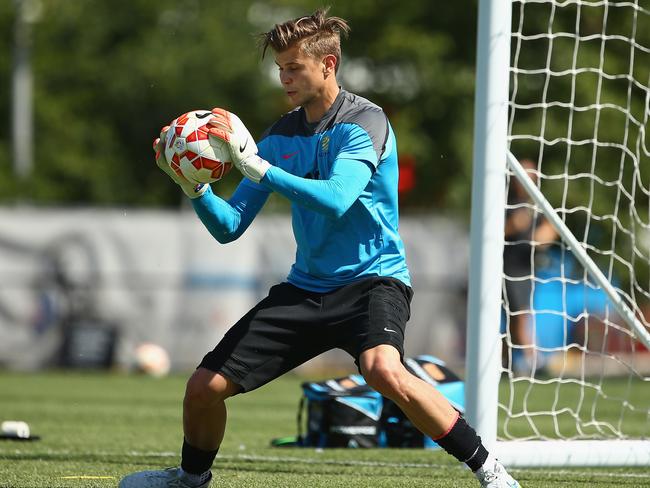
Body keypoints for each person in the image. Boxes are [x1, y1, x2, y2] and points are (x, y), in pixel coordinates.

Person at [119, 9, 520, 488]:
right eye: (280, 68)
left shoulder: (363, 121)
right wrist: (193, 188)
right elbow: (229, 227)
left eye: (294, 68)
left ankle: (490, 471)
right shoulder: (280, 137)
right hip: (306, 288)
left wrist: (256, 167)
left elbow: (336, 199)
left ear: (327, 65)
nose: (284, 78)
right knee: (203, 389)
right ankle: (190, 480)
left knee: (382, 370)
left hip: (374, 281)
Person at [503, 158, 557, 375]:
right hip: (507, 265)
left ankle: (514, 361)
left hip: (527, 267)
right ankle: (531, 359)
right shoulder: (505, 199)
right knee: (515, 315)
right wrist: (511, 226)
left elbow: (551, 227)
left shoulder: (539, 203)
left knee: (519, 314)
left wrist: (543, 237)